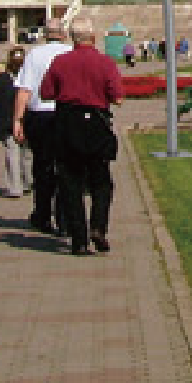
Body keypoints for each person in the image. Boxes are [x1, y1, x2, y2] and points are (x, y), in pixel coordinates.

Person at [41, 22, 124, 257]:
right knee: (101, 181)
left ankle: (78, 240)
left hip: (68, 124)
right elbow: (117, 97)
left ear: (73, 39)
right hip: (97, 124)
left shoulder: (61, 62)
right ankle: (98, 227)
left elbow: (46, 92)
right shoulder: (105, 63)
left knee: (70, 183)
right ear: (94, 37)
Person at [12, 19, 71, 235]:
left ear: (46, 35)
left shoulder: (34, 54)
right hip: (66, 114)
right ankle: (65, 217)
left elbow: (24, 90)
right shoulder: (71, 52)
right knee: (66, 168)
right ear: (63, 34)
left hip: (40, 116)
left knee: (43, 168)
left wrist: (18, 120)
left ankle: (43, 215)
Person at [0, 46, 32, 197]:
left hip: (7, 121)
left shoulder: (2, 79)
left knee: (12, 154)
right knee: (27, 153)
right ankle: (28, 182)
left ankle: (15, 187)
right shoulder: (29, 78)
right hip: (27, 119)